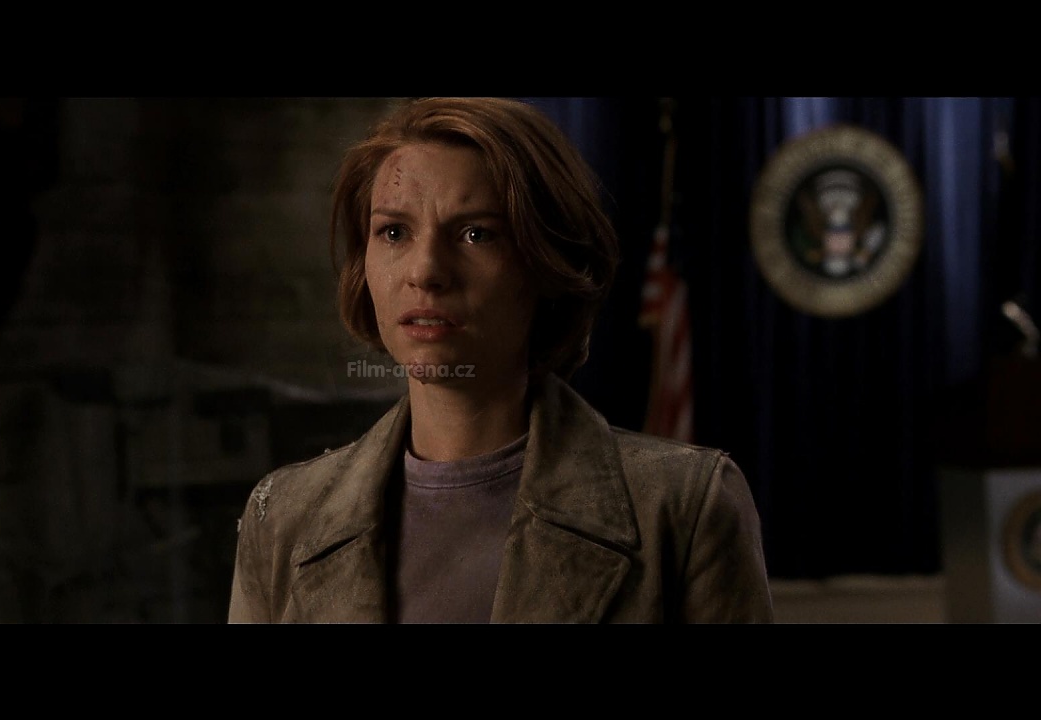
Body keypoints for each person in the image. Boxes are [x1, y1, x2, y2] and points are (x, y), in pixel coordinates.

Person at [228, 97, 773, 623]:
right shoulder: (284, 517)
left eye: (476, 234)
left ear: (546, 262)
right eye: (394, 232)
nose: (425, 270)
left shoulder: (683, 508)